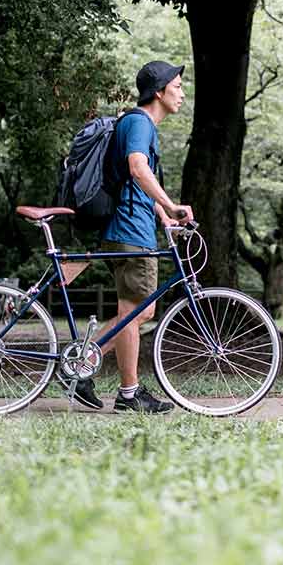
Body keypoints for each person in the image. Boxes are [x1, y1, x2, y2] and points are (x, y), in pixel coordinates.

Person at [71, 60, 194, 412]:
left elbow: (136, 184)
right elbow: (137, 169)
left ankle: (105, 380)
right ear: (159, 91)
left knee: (136, 310)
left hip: (129, 226)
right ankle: (104, 380)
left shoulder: (136, 124)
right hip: (129, 230)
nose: (182, 93)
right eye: (178, 86)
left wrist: (162, 215)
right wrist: (170, 206)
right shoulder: (140, 123)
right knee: (135, 310)